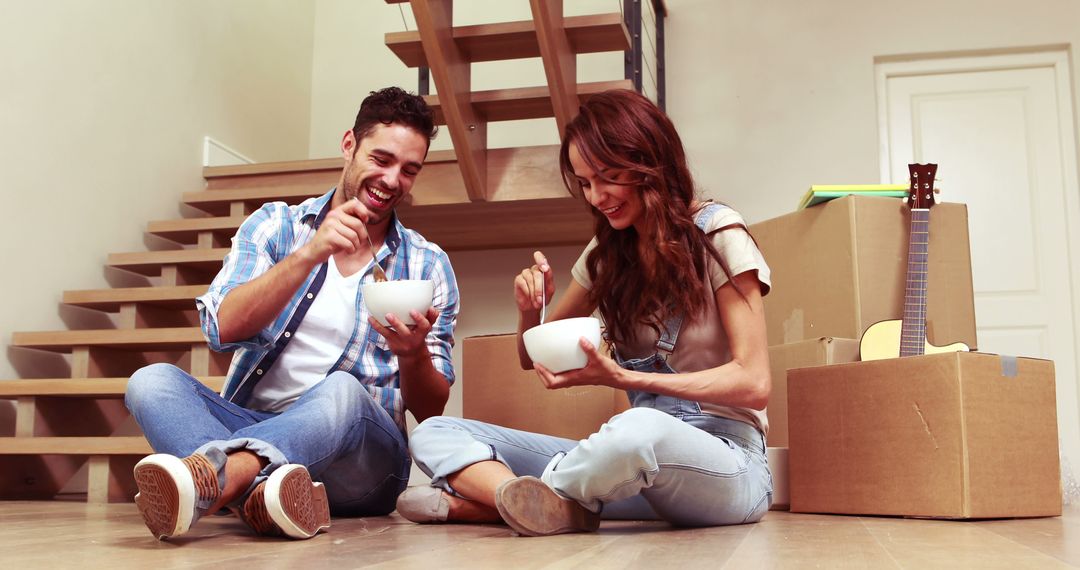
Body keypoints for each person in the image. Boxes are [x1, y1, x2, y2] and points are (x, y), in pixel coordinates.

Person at [397, 89, 773, 536]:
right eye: (585, 183)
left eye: (608, 177)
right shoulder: (608, 253)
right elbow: (530, 357)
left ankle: (500, 502)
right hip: (633, 465)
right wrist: (528, 312)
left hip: (729, 462)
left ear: (650, 163)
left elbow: (754, 383)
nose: (597, 197)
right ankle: (531, 502)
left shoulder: (719, 232)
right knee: (434, 432)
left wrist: (623, 378)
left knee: (637, 430)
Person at [124, 87, 459, 540]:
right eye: (381, 159)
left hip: (361, 458)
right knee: (151, 381)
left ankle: (220, 481)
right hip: (255, 419)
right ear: (349, 146)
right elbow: (221, 327)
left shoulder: (427, 265)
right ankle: (266, 497)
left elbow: (431, 408)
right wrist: (310, 253)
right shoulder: (276, 226)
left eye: (409, 170)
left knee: (341, 390)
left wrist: (413, 353)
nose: (392, 179)